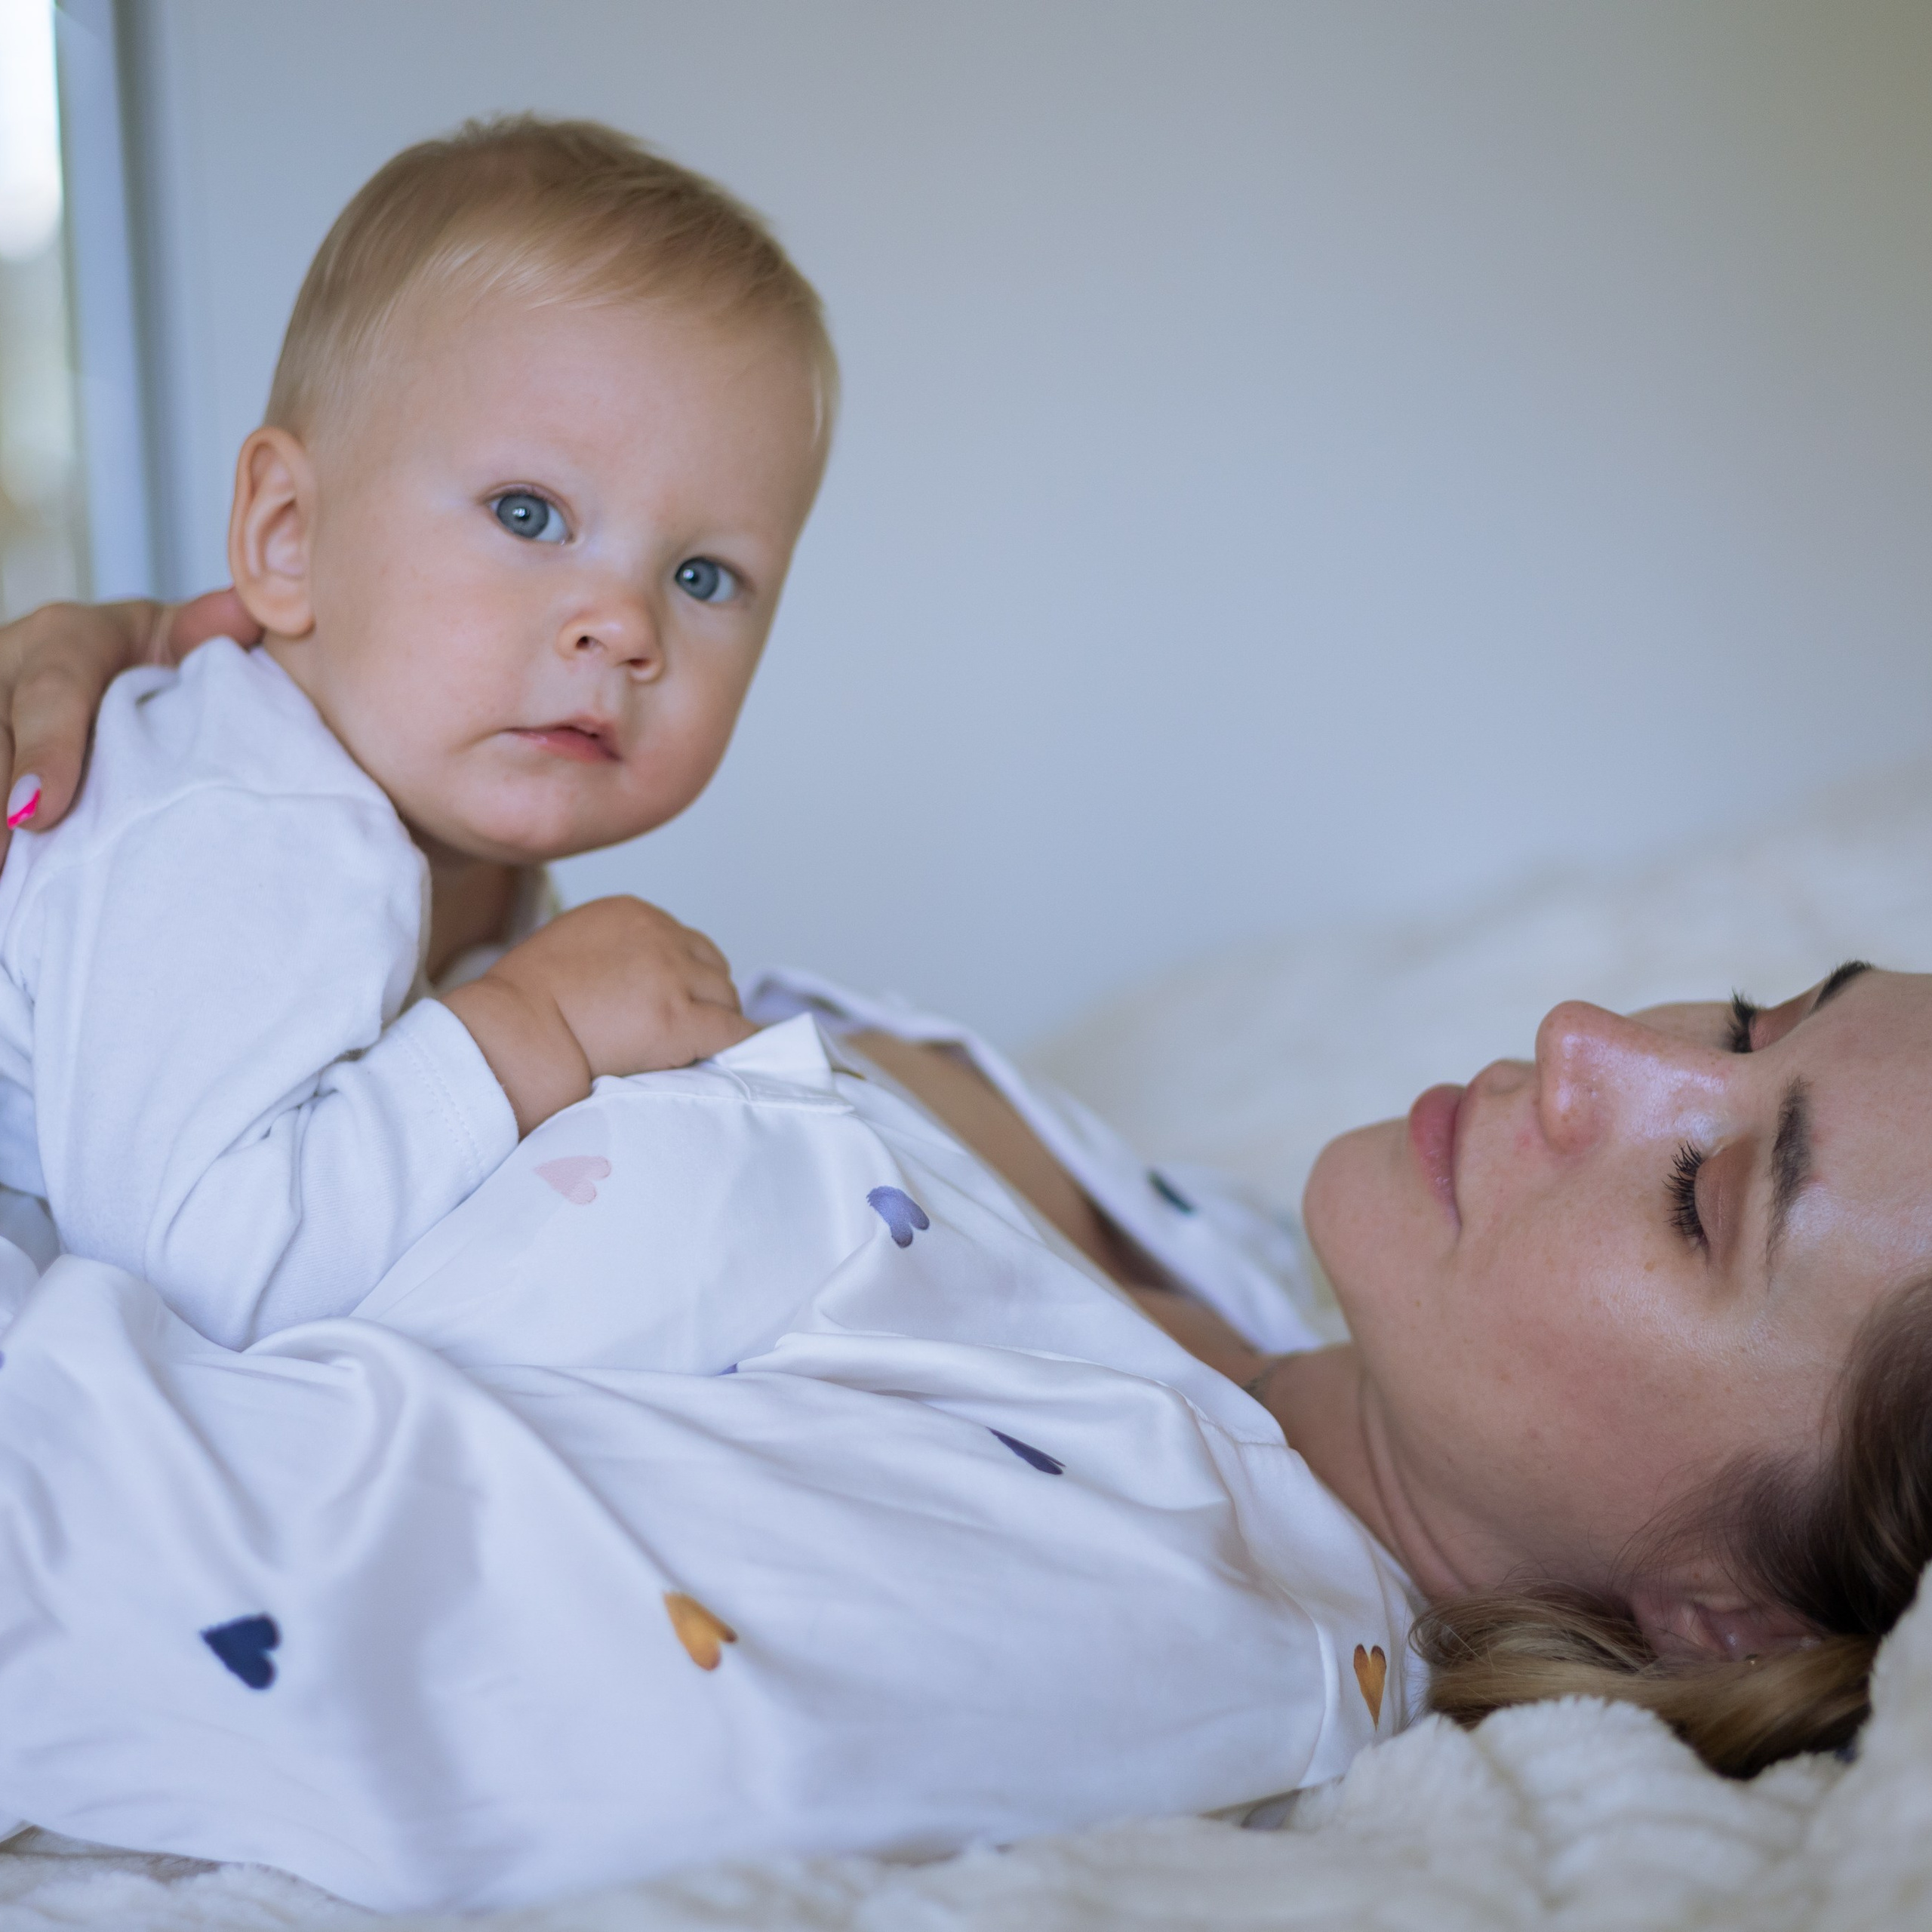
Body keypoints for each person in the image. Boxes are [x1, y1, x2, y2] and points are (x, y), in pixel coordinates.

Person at [2, 597, 1932, 1906]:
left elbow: (136, 1572)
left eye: (1704, 1196)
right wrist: (239, 720)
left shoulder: (1123, 1611)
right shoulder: (1248, 1283)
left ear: (1728, 1617)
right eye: (1750, 1020)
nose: (1598, 1040)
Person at [0, 115, 831, 1349]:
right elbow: (196, 1284)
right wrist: (533, 1028)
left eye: (703, 578)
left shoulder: (460, 855)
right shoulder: (246, 816)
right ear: (287, 535)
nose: (623, 623)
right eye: (527, 511)